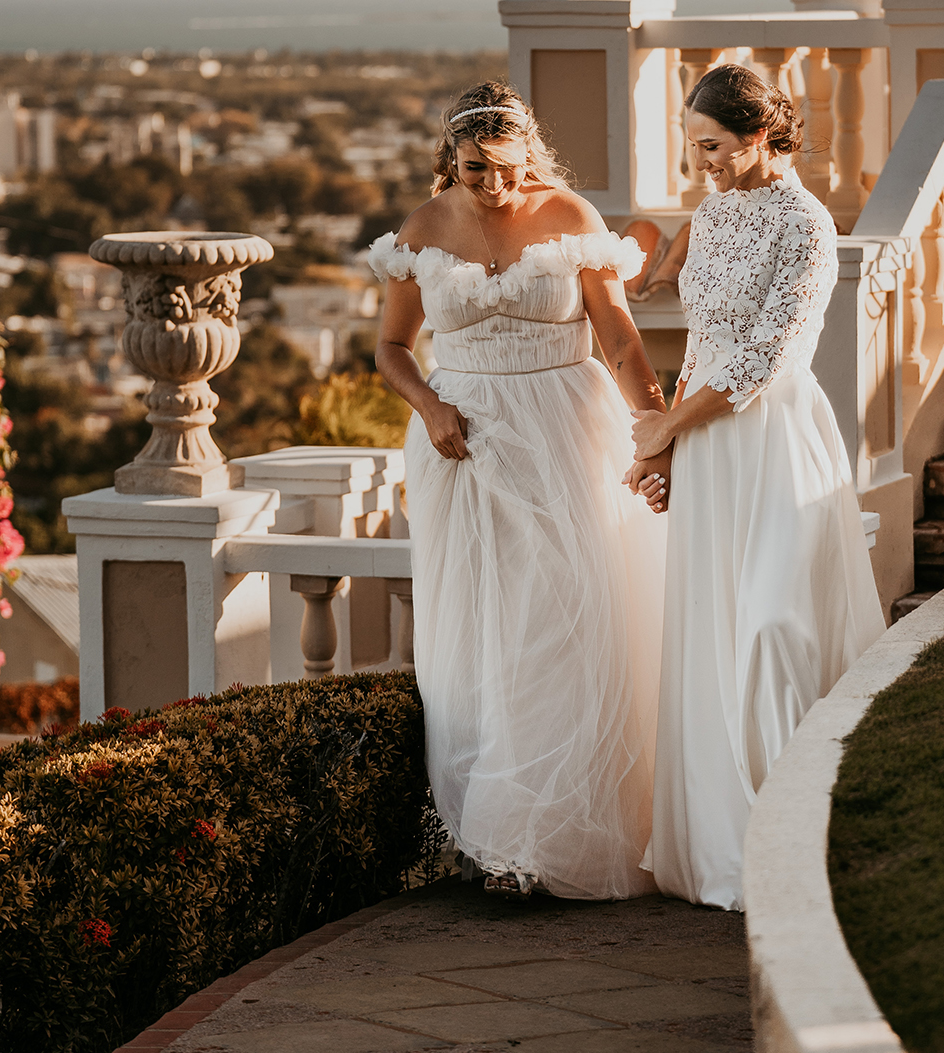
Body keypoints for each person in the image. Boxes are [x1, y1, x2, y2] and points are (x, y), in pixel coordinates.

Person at [371, 80, 670, 901]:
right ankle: (500, 841)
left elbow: (618, 336)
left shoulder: (571, 218)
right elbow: (392, 348)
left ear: (529, 155)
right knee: (484, 630)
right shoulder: (422, 230)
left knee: (565, 622)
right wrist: (428, 405)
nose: (494, 185)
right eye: (475, 170)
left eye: (506, 168)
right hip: (461, 443)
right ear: (451, 160)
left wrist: (657, 428)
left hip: (566, 434)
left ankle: (566, 834)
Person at [630, 63, 885, 911]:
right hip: (707, 449)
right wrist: (667, 448)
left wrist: (667, 425)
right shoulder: (711, 212)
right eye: (693, 144)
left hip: (773, 441)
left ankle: (791, 838)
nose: (700, 160)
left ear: (761, 134)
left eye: (712, 145)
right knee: (713, 631)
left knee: (777, 624)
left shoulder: (808, 224)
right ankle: (720, 843)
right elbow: (702, 341)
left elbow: (770, 356)